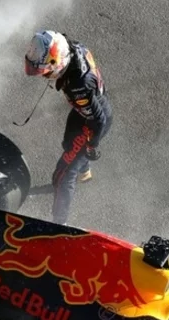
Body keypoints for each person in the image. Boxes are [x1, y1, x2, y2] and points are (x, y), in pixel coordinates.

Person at [24, 30, 113, 225]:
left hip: (92, 121)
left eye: (46, 71)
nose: (44, 75)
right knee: (68, 143)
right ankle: (84, 173)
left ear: (58, 63)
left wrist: (92, 146)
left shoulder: (78, 86)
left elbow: (98, 119)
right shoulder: (69, 46)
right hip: (86, 110)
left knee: (62, 175)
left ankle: (60, 224)